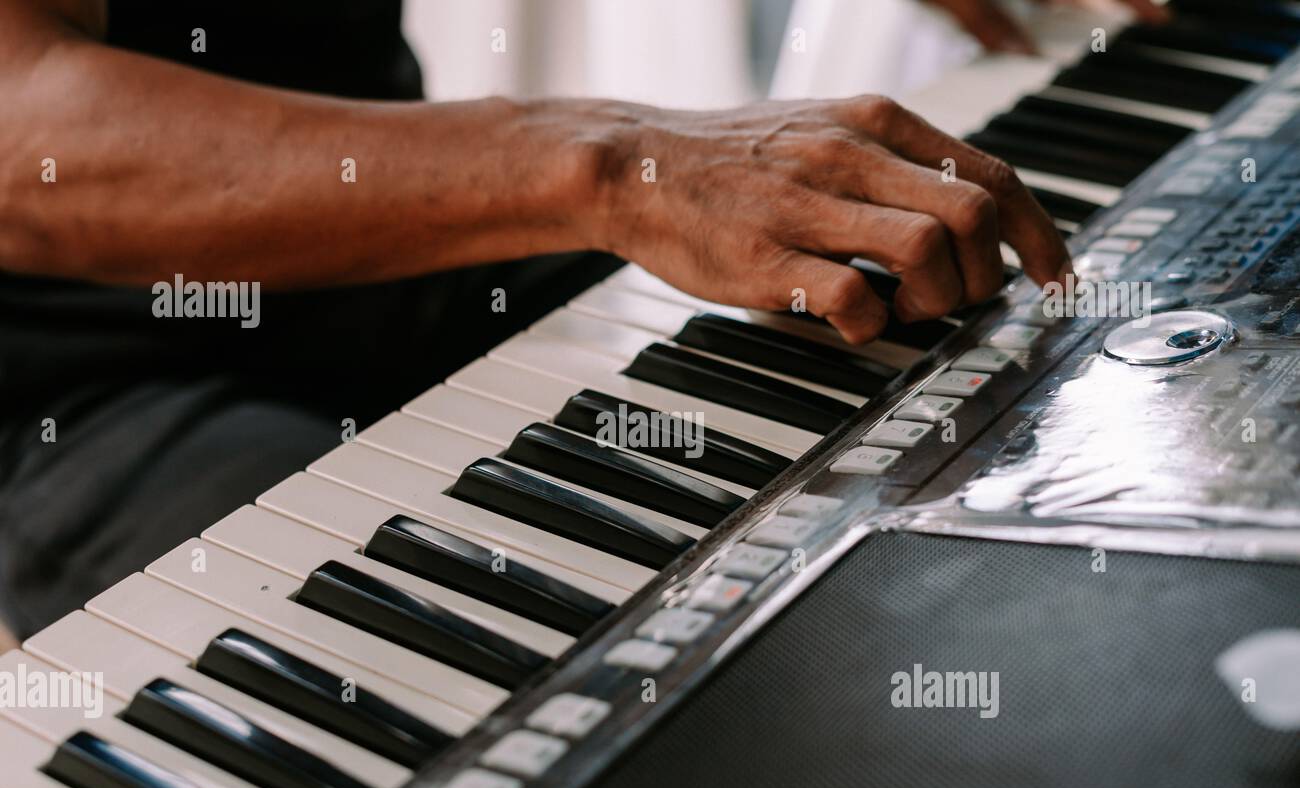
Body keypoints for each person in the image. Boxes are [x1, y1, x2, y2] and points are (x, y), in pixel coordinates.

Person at [0, 0, 1145, 647]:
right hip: (89, 372)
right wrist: (608, 166)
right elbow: (21, 144)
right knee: (469, 671)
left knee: (882, 381)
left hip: (402, 240)